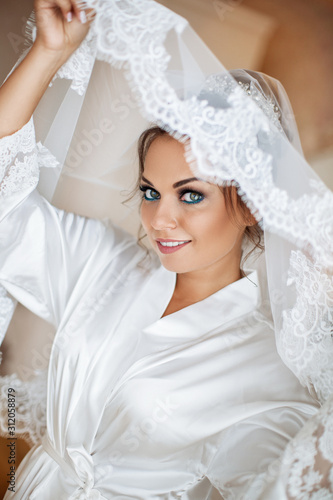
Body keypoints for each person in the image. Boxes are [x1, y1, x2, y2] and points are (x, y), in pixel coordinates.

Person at [0, 0, 332, 499]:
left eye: (191, 194)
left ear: (250, 207)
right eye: (151, 191)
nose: (159, 218)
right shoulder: (101, 262)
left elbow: (273, 480)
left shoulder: (267, 364)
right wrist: (50, 51)